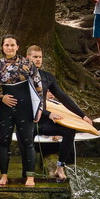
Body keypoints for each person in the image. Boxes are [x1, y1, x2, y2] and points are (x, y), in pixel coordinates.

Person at [27, 45, 96, 181]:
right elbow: (27, 102)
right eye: (35, 57)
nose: (38, 60)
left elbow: (64, 98)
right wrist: (48, 114)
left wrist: (83, 115)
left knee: (69, 131)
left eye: (40, 57)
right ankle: (28, 175)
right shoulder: (23, 77)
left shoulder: (47, 77)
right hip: (28, 121)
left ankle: (60, 167)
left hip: (43, 122)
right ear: (27, 58)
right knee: (27, 145)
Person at [0, 35, 43, 187]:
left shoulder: (27, 63)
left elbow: (38, 87)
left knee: (28, 142)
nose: (9, 48)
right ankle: (3, 176)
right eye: (7, 45)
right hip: (5, 109)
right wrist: (1, 97)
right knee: (4, 143)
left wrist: (39, 109)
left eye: (12, 45)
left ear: (18, 47)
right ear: (3, 47)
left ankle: (30, 177)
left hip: (25, 108)